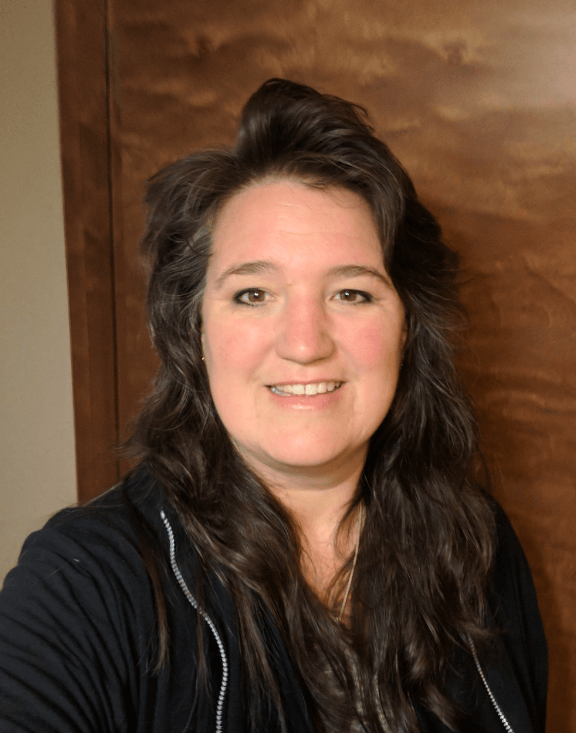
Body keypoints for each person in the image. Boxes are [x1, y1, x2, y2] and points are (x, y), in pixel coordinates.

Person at [0, 79, 547, 733]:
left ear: (407, 326)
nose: (305, 343)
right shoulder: (82, 587)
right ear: (194, 330)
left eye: (351, 293)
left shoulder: (477, 543)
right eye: (254, 293)